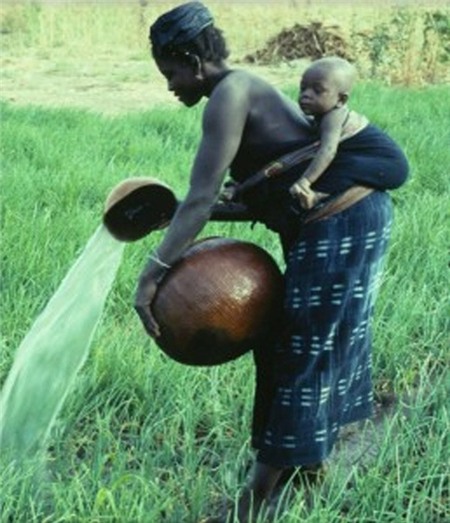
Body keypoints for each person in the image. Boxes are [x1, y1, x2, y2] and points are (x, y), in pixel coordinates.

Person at [133, 2, 409, 521]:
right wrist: (169, 217)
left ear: (193, 61)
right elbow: (256, 200)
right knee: (289, 344)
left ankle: (258, 495)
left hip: (344, 219)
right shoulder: (237, 92)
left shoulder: (230, 95)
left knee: (300, 350)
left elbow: (202, 199)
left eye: (170, 72)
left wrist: (151, 276)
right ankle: (306, 464)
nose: (169, 86)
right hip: (333, 221)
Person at [290, 56, 409, 209]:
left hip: (391, 167)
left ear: (341, 100)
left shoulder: (333, 117)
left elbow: (328, 151)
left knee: (341, 165)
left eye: (317, 91)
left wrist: (306, 180)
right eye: (303, 88)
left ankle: (319, 197)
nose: (306, 94)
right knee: (339, 163)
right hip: (378, 162)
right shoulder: (323, 114)